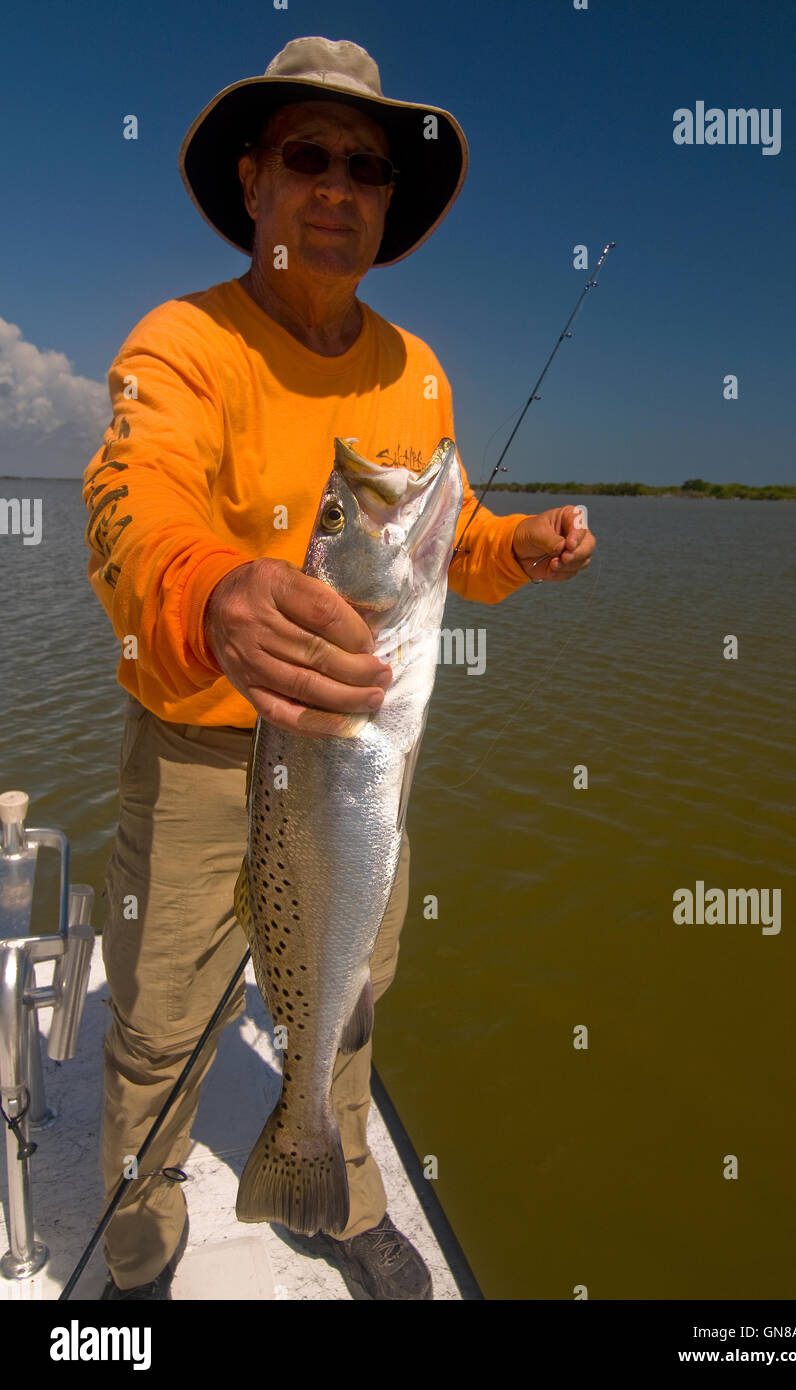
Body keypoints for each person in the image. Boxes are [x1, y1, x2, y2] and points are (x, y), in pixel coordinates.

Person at [83, 35, 595, 1301]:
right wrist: (213, 590)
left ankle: (336, 1184)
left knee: (345, 999)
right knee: (155, 1020)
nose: (335, 187)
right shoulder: (184, 344)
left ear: (385, 202)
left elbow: (434, 545)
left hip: (363, 758)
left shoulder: (415, 372)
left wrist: (511, 548)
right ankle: (140, 1247)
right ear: (253, 180)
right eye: (306, 155)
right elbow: (126, 511)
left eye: (363, 167)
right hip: (207, 754)